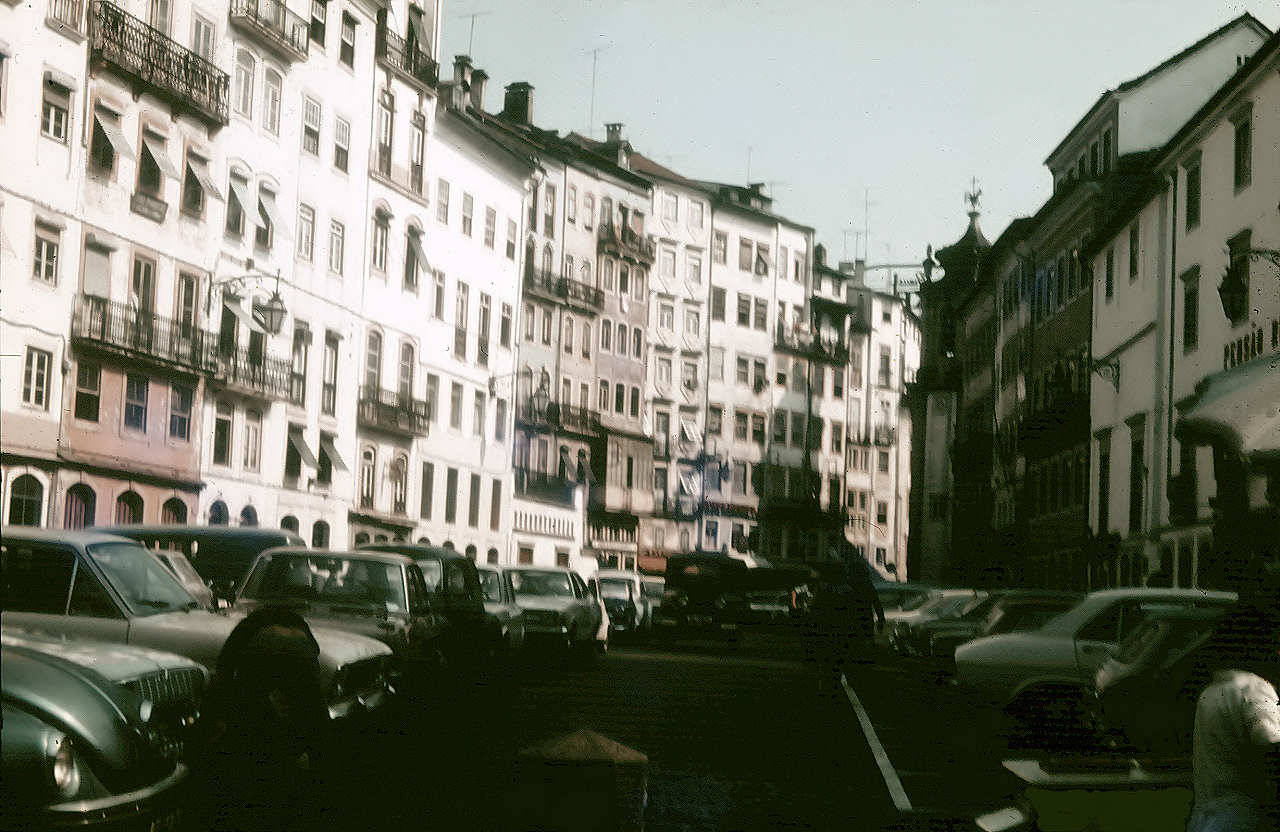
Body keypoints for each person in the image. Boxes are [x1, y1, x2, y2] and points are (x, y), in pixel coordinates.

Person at [191, 606, 332, 832]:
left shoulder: (254, 634)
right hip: (291, 657)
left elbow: (226, 677)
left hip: (259, 673)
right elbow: (315, 713)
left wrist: (215, 722)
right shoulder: (296, 637)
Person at [1186, 560, 1280, 832]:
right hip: (1242, 817)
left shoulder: (1210, 693)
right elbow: (1272, 747)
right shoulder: (1253, 689)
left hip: (1204, 818)